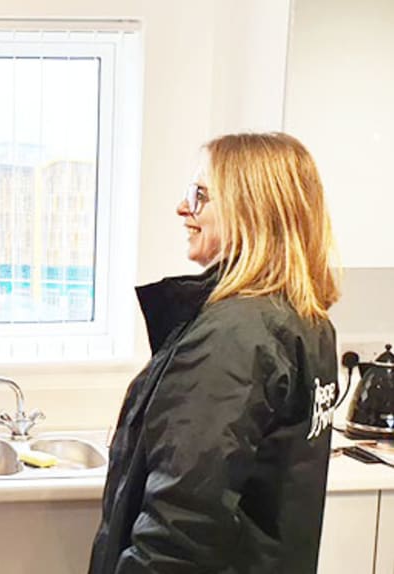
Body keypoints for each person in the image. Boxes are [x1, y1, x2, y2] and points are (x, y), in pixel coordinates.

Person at [88, 132, 340, 573]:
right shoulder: (305, 321)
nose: (182, 208)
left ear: (251, 209)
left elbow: (181, 524)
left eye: (200, 195)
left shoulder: (233, 337)